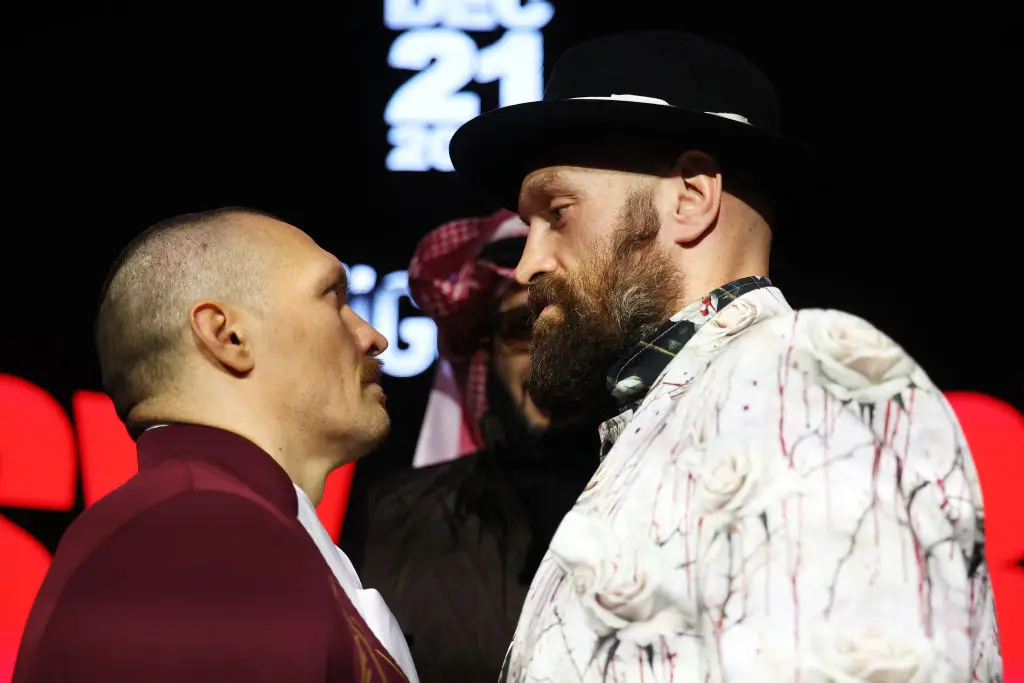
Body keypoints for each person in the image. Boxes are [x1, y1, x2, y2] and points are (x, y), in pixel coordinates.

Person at [447, 31, 1002, 682]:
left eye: (557, 212)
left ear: (690, 197)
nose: (527, 265)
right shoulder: (693, 404)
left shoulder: (802, 373)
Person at [13, 207, 418, 683]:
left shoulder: (208, 524)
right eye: (332, 298)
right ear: (228, 335)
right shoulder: (197, 537)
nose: (374, 337)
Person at [346, 209, 601, 682]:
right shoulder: (396, 516)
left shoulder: (667, 497)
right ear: (487, 356)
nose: (548, 358)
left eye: (570, 334)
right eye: (522, 330)